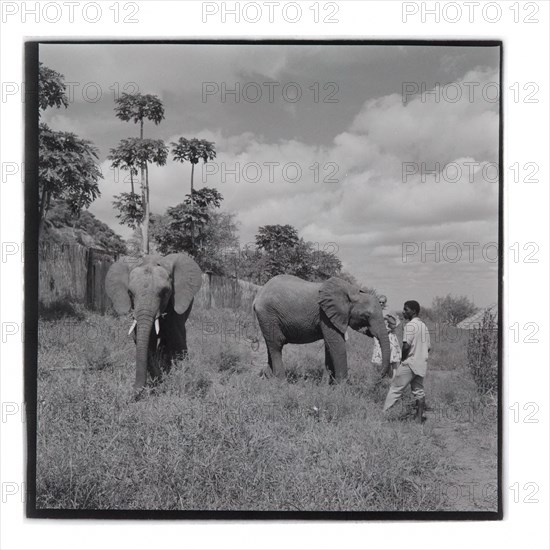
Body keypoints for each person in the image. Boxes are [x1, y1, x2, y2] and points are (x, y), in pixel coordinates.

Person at [383, 300, 431, 423]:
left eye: (406, 309)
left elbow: (405, 346)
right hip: (421, 363)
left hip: (410, 362)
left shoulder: (410, 326)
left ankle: (384, 416)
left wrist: (402, 359)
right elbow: (428, 347)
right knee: (419, 390)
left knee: (395, 388)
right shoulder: (423, 326)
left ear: (413, 311)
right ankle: (419, 418)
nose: (403, 312)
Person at [371, 295, 401, 377]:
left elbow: (398, 321)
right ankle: (381, 378)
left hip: (390, 336)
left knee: (393, 359)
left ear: (385, 303)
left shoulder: (389, 311)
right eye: (379, 302)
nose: (381, 303)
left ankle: (394, 379)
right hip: (379, 337)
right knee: (379, 359)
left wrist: (391, 328)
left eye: (383, 302)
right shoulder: (375, 311)